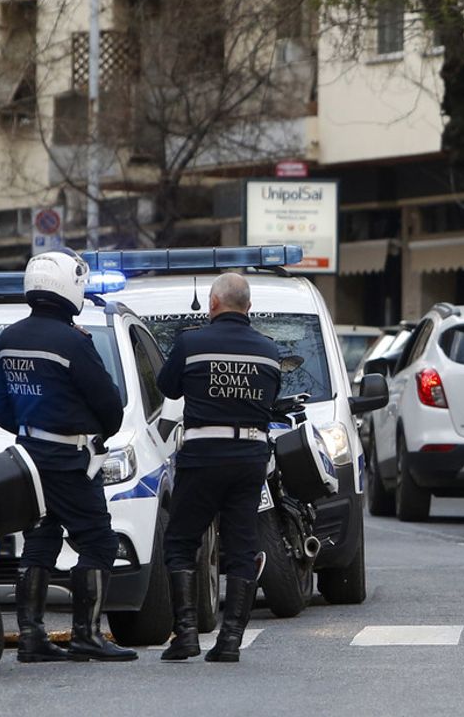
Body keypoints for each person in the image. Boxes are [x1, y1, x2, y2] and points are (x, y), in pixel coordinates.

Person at [0, 249, 136, 663]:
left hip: (29, 457)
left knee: (41, 539)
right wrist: (90, 430)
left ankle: (31, 637)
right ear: (69, 285)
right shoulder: (72, 340)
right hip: (69, 460)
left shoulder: (10, 336)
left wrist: (29, 425)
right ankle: (87, 635)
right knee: (99, 541)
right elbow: (109, 405)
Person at [156, 272, 281, 663]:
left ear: (212, 304)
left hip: (202, 457)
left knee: (181, 542)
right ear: (248, 307)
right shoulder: (269, 351)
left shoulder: (191, 343)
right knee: (243, 546)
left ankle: (187, 635)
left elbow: (167, 386)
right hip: (249, 460)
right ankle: (230, 642)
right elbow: (272, 398)